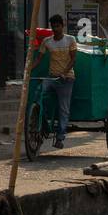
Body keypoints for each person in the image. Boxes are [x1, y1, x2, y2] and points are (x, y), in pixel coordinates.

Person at [33, 14, 78, 148]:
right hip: (51, 77)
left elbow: (73, 59)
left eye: (57, 26)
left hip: (66, 78)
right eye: (53, 26)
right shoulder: (47, 41)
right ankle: (42, 124)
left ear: (62, 26)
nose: (55, 29)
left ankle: (60, 137)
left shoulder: (70, 40)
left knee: (63, 108)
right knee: (37, 95)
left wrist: (64, 73)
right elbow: (38, 59)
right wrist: (29, 69)